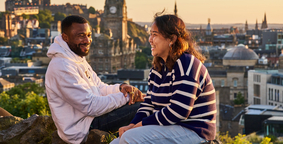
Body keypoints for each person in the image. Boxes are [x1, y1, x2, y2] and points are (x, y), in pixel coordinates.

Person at [111, 14, 217, 144]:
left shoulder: (187, 63)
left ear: (171, 39)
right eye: (150, 34)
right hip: (170, 128)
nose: (150, 39)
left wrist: (137, 126)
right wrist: (131, 125)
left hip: (195, 131)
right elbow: (148, 104)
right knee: (116, 142)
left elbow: (179, 110)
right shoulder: (158, 68)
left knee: (129, 138)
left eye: (155, 35)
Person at [45, 15, 144, 144]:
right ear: (65, 37)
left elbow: (99, 88)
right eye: (81, 35)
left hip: (91, 118)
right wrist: (127, 96)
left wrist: (121, 88)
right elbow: (91, 106)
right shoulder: (62, 67)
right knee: (143, 107)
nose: (87, 40)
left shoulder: (75, 57)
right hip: (82, 128)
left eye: (89, 35)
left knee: (147, 103)